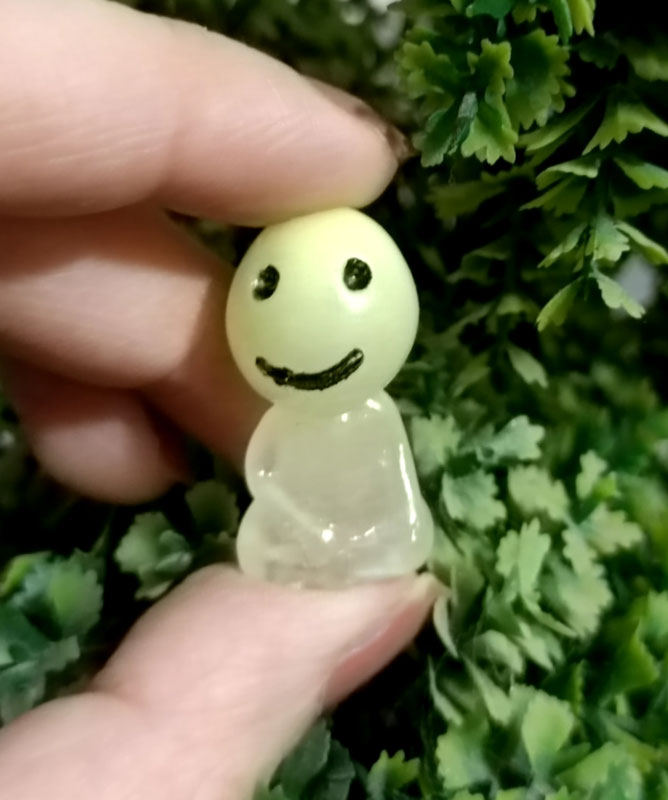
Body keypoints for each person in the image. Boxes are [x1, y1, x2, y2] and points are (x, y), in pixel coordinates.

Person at [0, 1, 439, 796]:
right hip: (297, 547)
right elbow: (269, 475)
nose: (303, 322)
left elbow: (392, 494)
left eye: (353, 281)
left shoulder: (371, 417)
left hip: (368, 544)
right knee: (269, 532)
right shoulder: (277, 420)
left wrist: (367, 533)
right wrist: (289, 519)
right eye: (264, 287)